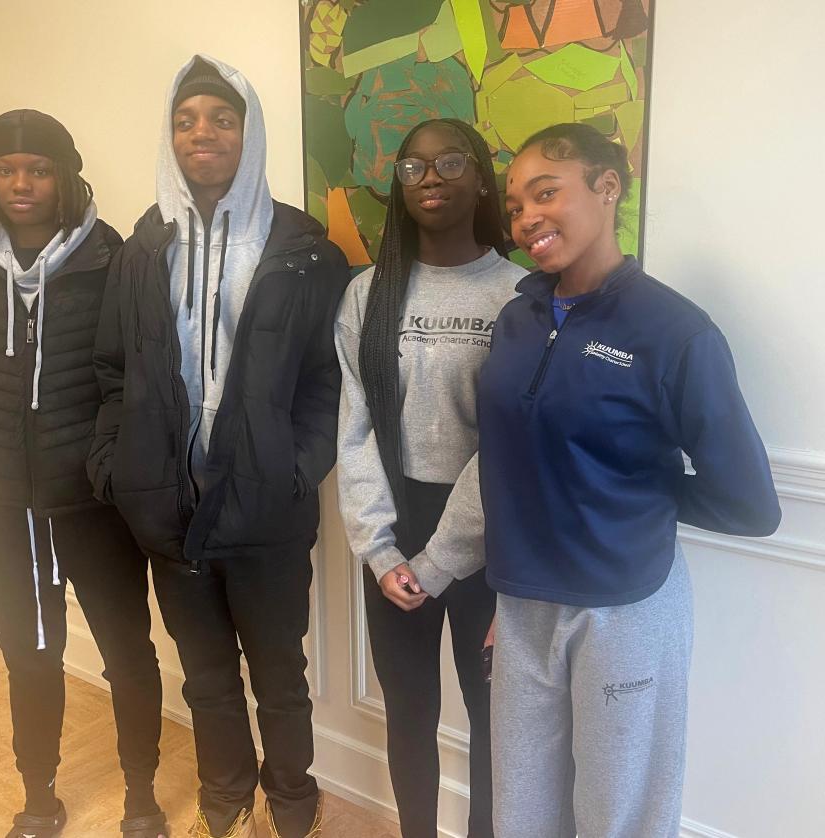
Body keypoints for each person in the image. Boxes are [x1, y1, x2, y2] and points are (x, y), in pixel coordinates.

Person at [473, 122, 781, 837]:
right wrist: (508, 587)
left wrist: (639, 486)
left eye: (545, 193)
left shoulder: (674, 331)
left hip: (626, 607)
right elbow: (505, 462)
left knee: (620, 815)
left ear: (606, 186)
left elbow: (749, 503)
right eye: (515, 205)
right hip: (523, 606)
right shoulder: (515, 319)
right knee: (520, 809)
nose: (525, 218)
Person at [88, 56, 350, 838]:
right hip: (167, 506)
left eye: (221, 118)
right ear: (169, 135)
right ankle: (224, 796)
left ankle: (293, 803)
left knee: (279, 677)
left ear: (249, 132)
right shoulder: (143, 248)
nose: (201, 133)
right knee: (204, 679)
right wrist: (117, 466)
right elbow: (112, 368)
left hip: (267, 505)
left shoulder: (304, 249)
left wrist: (297, 468)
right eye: (185, 119)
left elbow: (327, 382)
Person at [0, 110, 167, 838]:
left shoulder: (112, 262)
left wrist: (104, 461)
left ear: (65, 176)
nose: (20, 183)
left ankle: (142, 795)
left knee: (127, 653)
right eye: (6, 169)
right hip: (3, 508)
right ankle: (40, 794)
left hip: (93, 507)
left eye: (37, 168)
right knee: (30, 659)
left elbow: (136, 376)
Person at [335, 117, 526, 838]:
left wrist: (442, 557)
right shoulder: (367, 296)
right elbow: (353, 428)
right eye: (412, 168)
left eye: (449, 162)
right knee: (409, 713)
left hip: (492, 535)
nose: (430, 179)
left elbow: (515, 442)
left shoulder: (519, 294)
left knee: (494, 721)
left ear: (481, 176)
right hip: (394, 525)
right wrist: (380, 551)